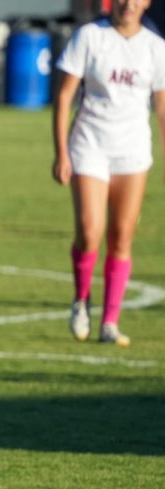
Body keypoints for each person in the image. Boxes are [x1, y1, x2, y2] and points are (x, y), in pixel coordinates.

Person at [54, 0, 165, 347]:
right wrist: (61, 153)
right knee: (90, 230)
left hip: (132, 151)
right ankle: (81, 299)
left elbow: (161, 105)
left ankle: (110, 322)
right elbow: (64, 96)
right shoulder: (89, 36)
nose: (128, 4)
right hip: (90, 145)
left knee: (122, 235)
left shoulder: (155, 47)